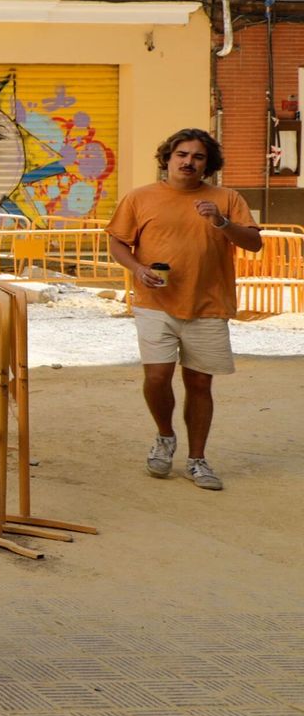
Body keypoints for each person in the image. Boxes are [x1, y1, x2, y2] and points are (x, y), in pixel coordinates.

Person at [106, 128, 262, 491]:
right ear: (168, 158)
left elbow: (254, 242)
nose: (189, 161)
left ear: (208, 164)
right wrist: (138, 269)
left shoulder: (227, 198)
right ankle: (164, 437)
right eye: (182, 154)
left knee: (199, 382)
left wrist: (221, 222)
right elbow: (117, 242)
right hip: (154, 303)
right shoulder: (139, 197)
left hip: (208, 304)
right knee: (158, 377)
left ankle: (197, 459)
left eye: (198, 156)